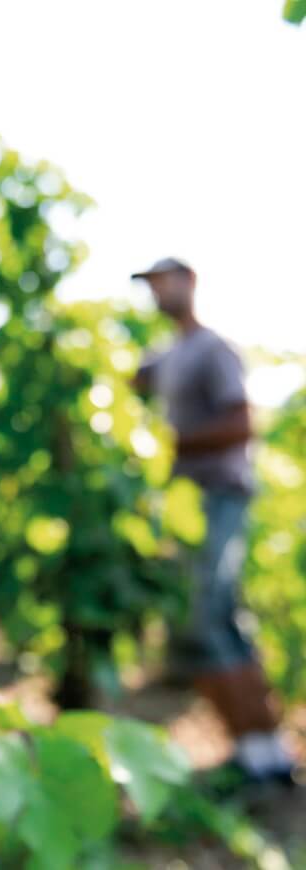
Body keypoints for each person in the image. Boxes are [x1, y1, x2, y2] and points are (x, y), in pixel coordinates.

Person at [132, 256, 294, 785]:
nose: (157, 292)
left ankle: (266, 752)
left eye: (164, 281)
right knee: (203, 620)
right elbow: (134, 382)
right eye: (150, 285)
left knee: (211, 615)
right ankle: (254, 751)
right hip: (185, 503)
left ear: (190, 281)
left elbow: (241, 423)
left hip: (218, 495)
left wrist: (166, 445)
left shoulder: (213, 349)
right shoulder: (168, 356)